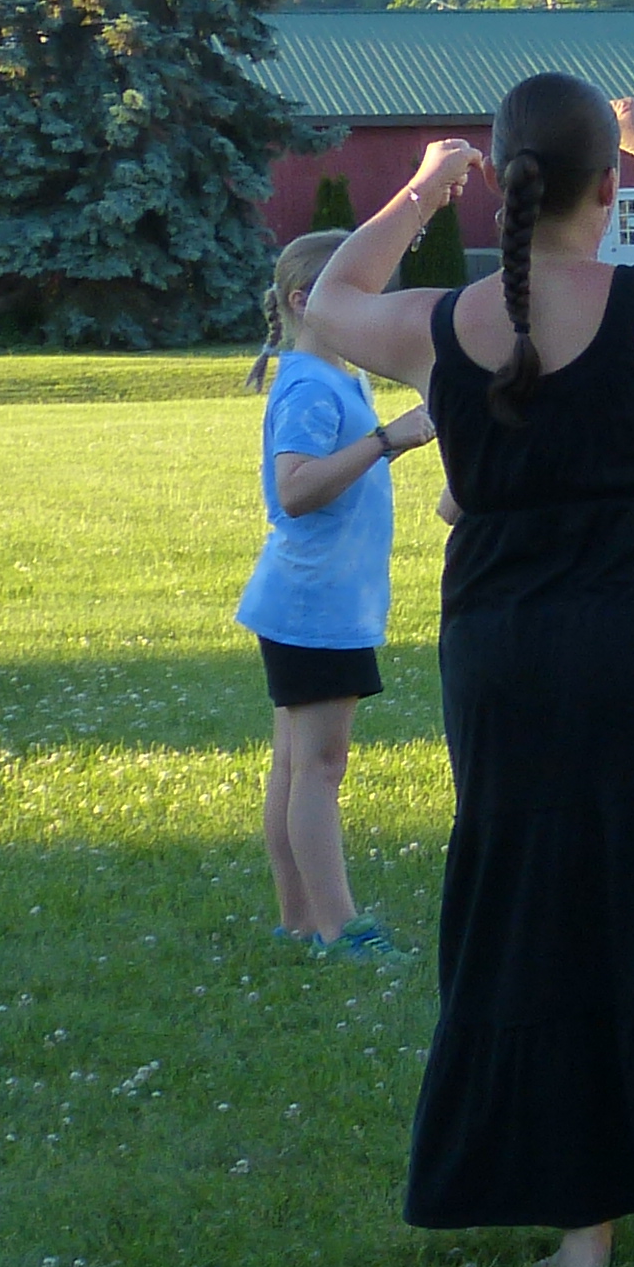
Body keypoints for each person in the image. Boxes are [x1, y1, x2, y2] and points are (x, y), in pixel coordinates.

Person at [300, 78, 634, 1267]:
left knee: (543, 920)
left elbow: (327, 299)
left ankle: (581, 1236)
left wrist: (424, 189)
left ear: (501, 175)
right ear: (605, 184)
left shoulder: (436, 325)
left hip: (507, 664)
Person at [239, 229, 435, 958]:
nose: (369, 309)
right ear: (304, 302)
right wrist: (387, 440)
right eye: (354, 293)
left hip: (316, 601)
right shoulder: (309, 387)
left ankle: (299, 920)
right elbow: (294, 490)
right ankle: (339, 928)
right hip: (314, 606)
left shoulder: (334, 377)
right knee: (319, 770)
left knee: (296, 766)